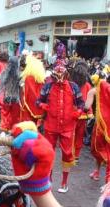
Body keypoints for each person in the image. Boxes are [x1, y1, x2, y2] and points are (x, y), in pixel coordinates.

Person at [38, 60, 84, 193]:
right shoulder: (48, 86)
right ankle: (48, 180)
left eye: (62, 70)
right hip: (50, 126)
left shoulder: (73, 86)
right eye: (57, 71)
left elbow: (81, 103)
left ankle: (64, 183)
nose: (59, 73)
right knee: (48, 152)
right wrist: (43, 106)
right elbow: (38, 100)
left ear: (66, 72)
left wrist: (78, 112)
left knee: (67, 154)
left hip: (68, 126)